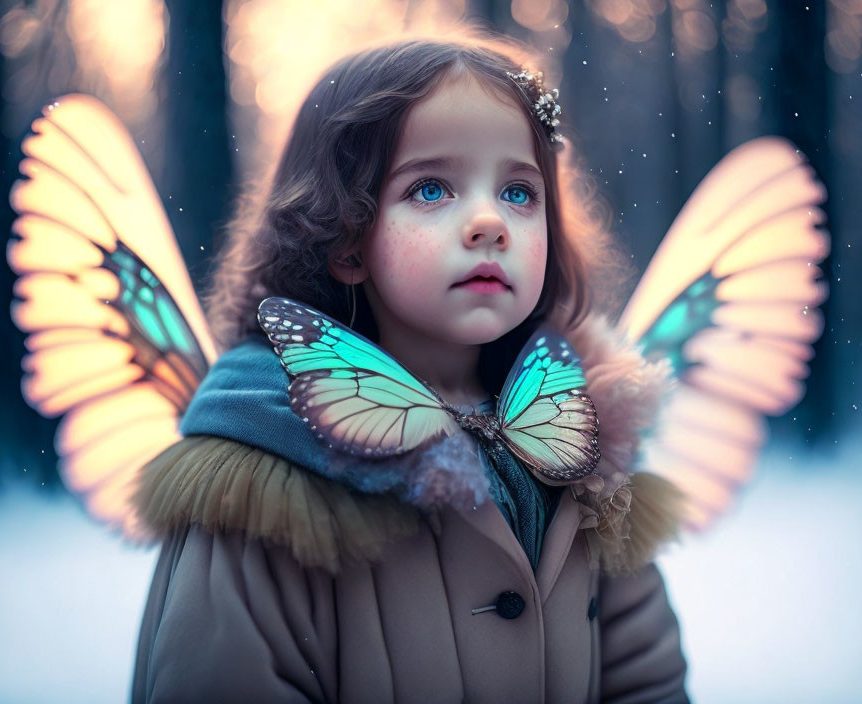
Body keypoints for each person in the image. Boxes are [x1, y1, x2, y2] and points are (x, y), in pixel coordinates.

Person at [131, 31, 690, 703]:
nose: (489, 221)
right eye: (431, 189)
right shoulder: (262, 482)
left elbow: (645, 680)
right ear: (345, 241)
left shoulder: (587, 456)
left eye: (518, 192)